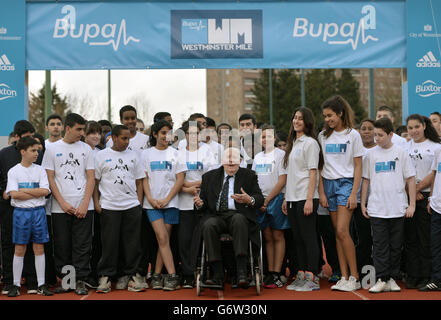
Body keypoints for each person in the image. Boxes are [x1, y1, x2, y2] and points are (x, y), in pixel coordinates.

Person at [193, 147, 264, 290]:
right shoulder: (209, 177)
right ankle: (217, 274)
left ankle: (242, 272)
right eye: (228, 160)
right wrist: (200, 204)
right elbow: (203, 203)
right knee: (208, 225)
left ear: (241, 161)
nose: (231, 162)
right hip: (216, 215)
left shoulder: (249, 175)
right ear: (222, 162)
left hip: (238, 215)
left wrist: (249, 199)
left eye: (234, 161)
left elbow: (259, 198)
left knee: (239, 220)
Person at [42, 113, 95, 295]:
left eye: (83, 129)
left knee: (82, 245)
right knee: (63, 246)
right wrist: (63, 203)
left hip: (83, 206)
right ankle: (67, 281)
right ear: (68, 128)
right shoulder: (51, 149)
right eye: (79, 129)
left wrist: (85, 203)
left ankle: (80, 280)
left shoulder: (87, 149)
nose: (82, 133)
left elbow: (91, 177)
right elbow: (49, 177)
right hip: (60, 207)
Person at [361, 118, 416, 293]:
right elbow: (366, 180)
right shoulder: (370, 155)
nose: (376, 138)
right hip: (377, 208)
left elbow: (411, 179)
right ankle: (381, 277)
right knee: (379, 245)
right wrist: (363, 203)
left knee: (395, 245)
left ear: (391, 135)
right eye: (375, 134)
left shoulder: (401, 153)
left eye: (380, 135)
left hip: (398, 208)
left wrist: (412, 204)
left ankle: (391, 277)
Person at [318, 95, 363, 292]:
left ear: (340, 113)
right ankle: (344, 276)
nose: (327, 119)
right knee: (337, 233)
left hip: (346, 184)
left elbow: (358, 166)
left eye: (330, 115)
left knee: (344, 231)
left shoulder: (353, 135)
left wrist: (354, 193)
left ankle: (355, 277)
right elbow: (319, 167)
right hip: (328, 185)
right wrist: (322, 193)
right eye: (325, 116)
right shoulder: (322, 136)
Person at [93, 125, 146, 293]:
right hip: (109, 206)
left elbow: (139, 181)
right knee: (109, 243)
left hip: (131, 206)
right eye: (123, 138)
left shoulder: (135, 155)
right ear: (114, 138)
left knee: (132, 244)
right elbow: (94, 182)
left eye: (129, 138)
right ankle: (106, 277)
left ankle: (133, 276)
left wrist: (138, 202)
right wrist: (96, 202)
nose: (126, 142)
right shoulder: (101, 156)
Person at [5, 137, 53, 297]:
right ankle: (16, 285)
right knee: (19, 249)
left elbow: (45, 192)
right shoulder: (14, 171)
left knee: (39, 248)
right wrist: (34, 192)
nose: (36, 153)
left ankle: (41, 284)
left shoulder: (40, 170)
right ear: (23, 151)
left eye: (37, 150)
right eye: (33, 150)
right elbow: (13, 195)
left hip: (38, 212)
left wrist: (23, 192)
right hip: (21, 214)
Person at [0, 120, 43, 296]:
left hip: (34, 208)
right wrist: (5, 192)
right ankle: (10, 282)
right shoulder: (4, 154)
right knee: (10, 244)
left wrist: (24, 192)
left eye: (32, 137)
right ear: (16, 137)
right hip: (8, 207)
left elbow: (44, 187)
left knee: (35, 245)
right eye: (26, 138)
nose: (30, 142)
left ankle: (34, 282)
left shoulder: (38, 155)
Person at [142, 119, 185, 291]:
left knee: (164, 240)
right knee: (161, 238)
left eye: (168, 132)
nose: (166, 136)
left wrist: (167, 199)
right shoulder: (146, 154)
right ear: (154, 134)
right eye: (162, 133)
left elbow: (180, 179)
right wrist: (151, 199)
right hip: (152, 204)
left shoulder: (176, 154)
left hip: (172, 203)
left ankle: (158, 275)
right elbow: (144, 179)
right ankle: (173, 275)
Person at [281, 108, 321, 291]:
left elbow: (313, 172)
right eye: (295, 117)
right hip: (292, 197)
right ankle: (302, 274)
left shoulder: (310, 143)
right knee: (297, 239)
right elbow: (291, 175)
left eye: (300, 118)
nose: (296, 121)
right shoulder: (293, 143)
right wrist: (286, 198)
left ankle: (312, 276)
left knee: (308, 238)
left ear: (307, 122)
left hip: (306, 196)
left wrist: (309, 199)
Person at [177, 120, 217, 289]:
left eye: (195, 133)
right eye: (189, 133)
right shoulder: (178, 151)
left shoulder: (207, 151)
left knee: (203, 238)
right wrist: (187, 187)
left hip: (203, 201)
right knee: (185, 239)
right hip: (184, 201)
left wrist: (196, 186)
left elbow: (212, 175)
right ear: (184, 135)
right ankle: (187, 274)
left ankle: (204, 272)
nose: (192, 136)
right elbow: (177, 177)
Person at [404, 114, 441, 289]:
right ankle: (413, 275)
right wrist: (410, 190)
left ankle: (427, 275)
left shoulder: (435, 147)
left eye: (417, 127)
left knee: (425, 238)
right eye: (410, 128)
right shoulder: (404, 147)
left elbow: (434, 173)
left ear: (424, 126)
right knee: (410, 239)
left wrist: (417, 189)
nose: (413, 131)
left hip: (426, 196)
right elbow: (402, 171)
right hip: (408, 196)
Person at [252, 124, 288, 289]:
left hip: (276, 199)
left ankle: (277, 272)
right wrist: (260, 201)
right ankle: (269, 272)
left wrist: (267, 201)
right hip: (261, 201)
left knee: (277, 235)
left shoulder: (281, 155)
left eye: (269, 136)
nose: (266, 139)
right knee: (267, 237)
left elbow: (282, 180)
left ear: (275, 138)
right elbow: (254, 180)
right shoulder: (257, 157)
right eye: (263, 136)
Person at [82, 121, 103, 289]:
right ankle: (83, 274)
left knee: (98, 241)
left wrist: (97, 201)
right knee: (83, 242)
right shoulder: (79, 151)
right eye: (92, 133)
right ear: (84, 134)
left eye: (98, 133)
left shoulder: (102, 153)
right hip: (82, 202)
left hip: (101, 203)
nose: (96, 136)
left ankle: (96, 273)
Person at [353, 119, 375, 273]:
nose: (366, 131)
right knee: (362, 238)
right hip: (360, 201)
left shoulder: (380, 150)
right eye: (363, 128)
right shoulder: (356, 150)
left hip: (377, 202)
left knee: (378, 239)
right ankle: (362, 270)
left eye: (370, 128)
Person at [419, 140, 441, 291]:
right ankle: (437, 279)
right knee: (435, 246)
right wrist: (431, 198)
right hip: (437, 206)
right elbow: (435, 175)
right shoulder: (439, 150)